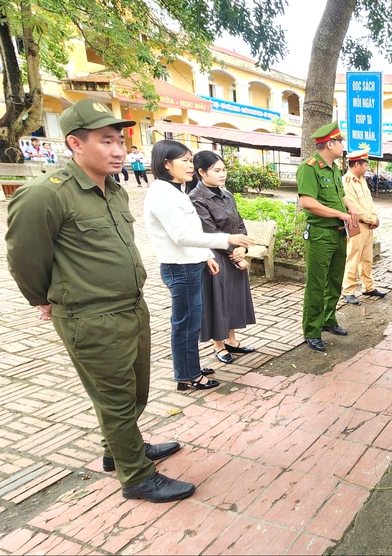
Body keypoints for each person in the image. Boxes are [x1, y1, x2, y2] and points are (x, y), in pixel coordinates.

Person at [6, 99, 192, 503]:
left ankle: (119, 450)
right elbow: (23, 257)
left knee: (135, 391)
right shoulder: (44, 195)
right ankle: (137, 477)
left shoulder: (113, 191)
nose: (119, 150)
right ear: (75, 143)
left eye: (120, 141)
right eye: (106, 141)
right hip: (90, 316)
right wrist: (43, 299)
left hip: (131, 306)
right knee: (115, 398)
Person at [143, 139, 255, 390]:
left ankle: (190, 366)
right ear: (166, 164)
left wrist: (205, 255)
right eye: (184, 160)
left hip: (190, 262)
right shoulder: (162, 192)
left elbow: (190, 231)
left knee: (191, 323)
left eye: (191, 160)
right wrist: (226, 239)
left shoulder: (174, 190)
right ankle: (187, 376)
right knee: (185, 324)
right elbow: (180, 236)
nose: (190, 165)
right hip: (179, 267)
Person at [189, 151, 257, 364]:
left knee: (234, 298)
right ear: (201, 172)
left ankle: (232, 340)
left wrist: (242, 249)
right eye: (216, 170)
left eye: (224, 170)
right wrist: (234, 252)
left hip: (234, 253)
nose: (222, 174)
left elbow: (239, 224)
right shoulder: (196, 199)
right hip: (214, 257)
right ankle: (218, 344)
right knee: (217, 300)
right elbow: (208, 232)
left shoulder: (227, 195)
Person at [298, 122, 360, 352]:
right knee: (316, 284)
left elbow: (341, 195)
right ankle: (312, 330)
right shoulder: (310, 167)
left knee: (335, 281)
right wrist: (340, 214)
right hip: (320, 235)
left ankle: (328, 319)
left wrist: (351, 208)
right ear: (330, 143)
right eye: (340, 141)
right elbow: (308, 202)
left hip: (338, 233)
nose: (343, 145)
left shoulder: (334, 168)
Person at [341, 147, 386, 305]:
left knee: (367, 258)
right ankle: (348, 290)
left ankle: (368, 286)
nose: (367, 168)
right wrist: (371, 220)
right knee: (353, 257)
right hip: (356, 224)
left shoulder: (361, 181)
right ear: (356, 165)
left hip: (367, 226)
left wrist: (374, 217)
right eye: (365, 164)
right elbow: (355, 208)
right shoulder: (346, 182)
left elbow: (369, 203)